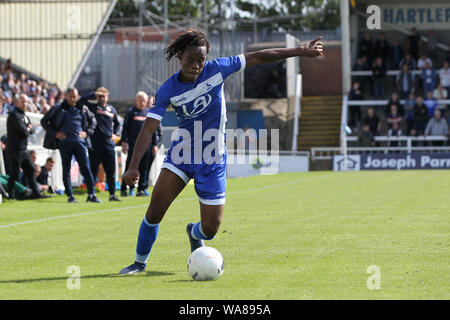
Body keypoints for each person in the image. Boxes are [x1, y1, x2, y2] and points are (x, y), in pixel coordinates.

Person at [118, 29, 324, 274]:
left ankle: (194, 233)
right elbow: (149, 127)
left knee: (211, 229)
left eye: (200, 60)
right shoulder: (167, 90)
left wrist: (300, 51)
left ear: (207, 58)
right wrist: (133, 166)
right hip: (181, 156)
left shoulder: (218, 69)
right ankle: (139, 263)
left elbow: (260, 56)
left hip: (213, 159)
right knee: (155, 211)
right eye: (190, 60)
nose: (196, 66)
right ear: (180, 56)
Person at [40, 87, 101, 203]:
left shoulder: (82, 108)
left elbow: (93, 120)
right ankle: (70, 196)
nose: (73, 99)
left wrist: (87, 133)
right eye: (71, 96)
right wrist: (55, 133)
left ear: (78, 97)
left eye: (75, 96)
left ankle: (92, 194)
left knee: (86, 168)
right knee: (66, 169)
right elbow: (44, 121)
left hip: (80, 143)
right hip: (65, 143)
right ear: (66, 96)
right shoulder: (58, 108)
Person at [5, 94, 49, 200]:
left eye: (26, 102)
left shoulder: (24, 115)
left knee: (30, 171)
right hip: (15, 150)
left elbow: (31, 129)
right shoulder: (14, 115)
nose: (25, 104)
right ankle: (10, 194)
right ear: (17, 102)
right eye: (23, 101)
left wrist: (29, 129)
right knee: (14, 174)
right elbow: (24, 131)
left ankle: (36, 193)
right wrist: (28, 129)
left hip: (23, 150)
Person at [81, 87, 121, 202]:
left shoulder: (112, 109)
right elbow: (81, 101)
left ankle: (112, 195)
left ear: (107, 97)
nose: (102, 98)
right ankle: (91, 194)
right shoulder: (92, 107)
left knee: (110, 171)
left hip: (109, 144)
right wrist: (93, 94)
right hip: (95, 144)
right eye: (100, 96)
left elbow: (117, 124)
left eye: (104, 96)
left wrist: (116, 134)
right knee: (92, 171)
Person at [120, 92, 162, 197]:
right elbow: (125, 128)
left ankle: (141, 189)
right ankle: (126, 189)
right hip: (133, 146)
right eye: (140, 100)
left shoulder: (149, 113)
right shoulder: (131, 112)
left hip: (147, 146)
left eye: (144, 100)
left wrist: (155, 145)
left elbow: (153, 131)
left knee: (144, 168)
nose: (142, 102)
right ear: (136, 101)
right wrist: (123, 142)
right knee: (130, 167)